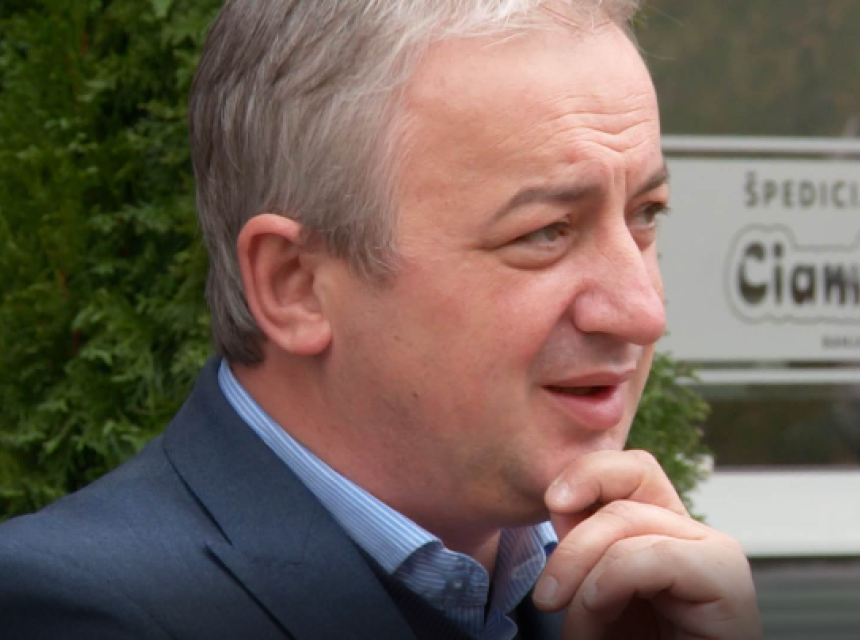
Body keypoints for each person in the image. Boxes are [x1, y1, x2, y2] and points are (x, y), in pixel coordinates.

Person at [0, 1, 762, 638]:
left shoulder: (624, 595)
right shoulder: (77, 609)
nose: (642, 311)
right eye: (544, 233)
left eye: (646, 215)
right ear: (297, 285)